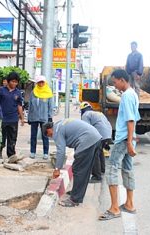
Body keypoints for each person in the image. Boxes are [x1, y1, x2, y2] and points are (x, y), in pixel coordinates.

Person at [99, 69, 140, 221]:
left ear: (122, 79)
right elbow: (134, 119)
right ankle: (129, 204)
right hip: (128, 138)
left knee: (111, 169)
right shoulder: (133, 94)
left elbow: (130, 120)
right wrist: (132, 139)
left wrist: (128, 141)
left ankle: (114, 208)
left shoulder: (127, 96)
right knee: (128, 169)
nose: (115, 85)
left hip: (123, 139)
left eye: (115, 82)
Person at [42, 119, 102, 207]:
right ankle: (76, 192)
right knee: (85, 169)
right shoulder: (60, 123)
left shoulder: (57, 130)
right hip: (96, 138)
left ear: (49, 129)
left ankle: (75, 199)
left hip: (87, 140)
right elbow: (75, 135)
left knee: (78, 169)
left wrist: (57, 169)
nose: (52, 137)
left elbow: (61, 151)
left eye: (50, 135)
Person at [79, 102, 112, 183]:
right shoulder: (99, 113)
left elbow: (86, 129)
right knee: (100, 152)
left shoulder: (86, 115)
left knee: (94, 154)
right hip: (108, 135)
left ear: (82, 110)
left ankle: (97, 176)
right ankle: (101, 170)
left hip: (99, 135)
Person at [0, 72, 24, 161]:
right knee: (1, 137)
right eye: (12, 81)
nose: (14, 84)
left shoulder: (18, 93)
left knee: (12, 138)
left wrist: (22, 118)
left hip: (13, 119)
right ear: (8, 81)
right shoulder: (1, 90)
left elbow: (19, 106)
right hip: (2, 118)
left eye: (16, 82)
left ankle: (11, 155)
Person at [28, 75, 53, 160]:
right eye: (39, 82)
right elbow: (30, 105)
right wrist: (29, 118)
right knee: (33, 135)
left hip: (44, 118)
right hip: (34, 117)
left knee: (45, 136)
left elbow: (50, 106)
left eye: (42, 82)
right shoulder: (33, 92)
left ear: (45, 82)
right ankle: (32, 152)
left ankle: (45, 153)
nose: (41, 84)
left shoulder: (48, 92)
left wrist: (50, 117)